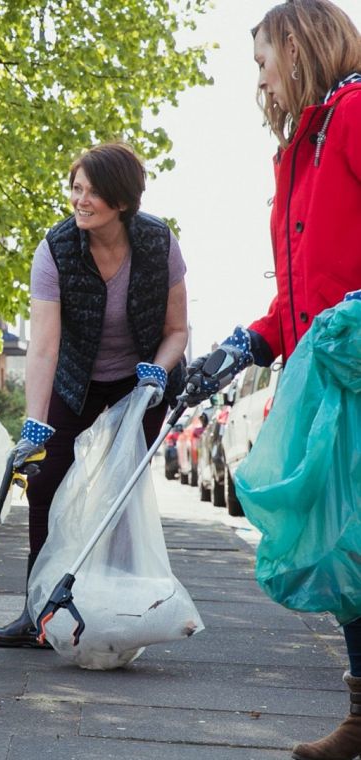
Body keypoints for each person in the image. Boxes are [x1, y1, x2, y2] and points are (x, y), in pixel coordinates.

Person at [183, 3, 361, 757]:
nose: (261, 80)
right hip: (333, 379)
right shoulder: (304, 146)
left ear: (295, 47)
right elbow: (299, 293)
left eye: (262, 62)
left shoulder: (354, 118)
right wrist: (244, 343)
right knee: (347, 548)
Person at [0, 142, 189, 647]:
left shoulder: (158, 243)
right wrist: (34, 425)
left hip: (141, 379)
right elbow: (44, 347)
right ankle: (38, 615)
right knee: (46, 480)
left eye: (92, 192)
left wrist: (158, 372)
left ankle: (119, 611)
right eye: (76, 189)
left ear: (120, 201)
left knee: (121, 497)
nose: (79, 200)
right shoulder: (55, 249)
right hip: (75, 377)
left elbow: (177, 330)